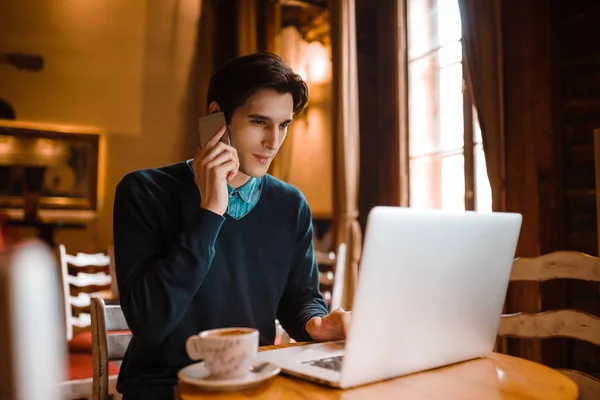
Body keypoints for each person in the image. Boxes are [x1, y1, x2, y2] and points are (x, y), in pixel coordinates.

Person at [113, 52, 352, 399]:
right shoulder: (143, 192)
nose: (274, 141)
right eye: (259, 122)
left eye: (283, 124)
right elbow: (150, 323)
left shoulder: (290, 205)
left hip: (251, 381)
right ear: (216, 119)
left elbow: (300, 298)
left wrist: (315, 323)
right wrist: (210, 211)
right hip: (164, 386)